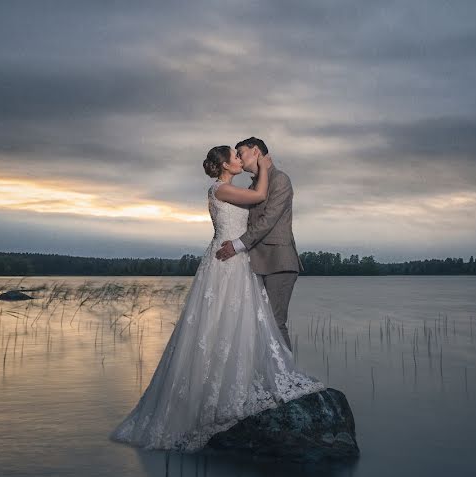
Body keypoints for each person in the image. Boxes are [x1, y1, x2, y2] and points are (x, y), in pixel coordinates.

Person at [110, 145, 324, 452]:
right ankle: (218, 395)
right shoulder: (221, 190)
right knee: (218, 323)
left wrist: (262, 166)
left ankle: (235, 383)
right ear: (224, 164)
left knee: (235, 323)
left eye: (242, 154)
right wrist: (264, 164)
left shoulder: (228, 188)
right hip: (228, 262)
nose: (239, 159)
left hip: (235, 261)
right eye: (235, 156)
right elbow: (261, 197)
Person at [214, 137, 303, 351]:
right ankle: (267, 378)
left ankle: (287, 380)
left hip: (278, 262)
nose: (238, 156)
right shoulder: (254, 185)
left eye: (241, 152)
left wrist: (237, 244)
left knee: (275, 324)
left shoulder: (280, 179)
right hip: (255, 264)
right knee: (258, 324)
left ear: (255, 152)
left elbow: (268, 220)